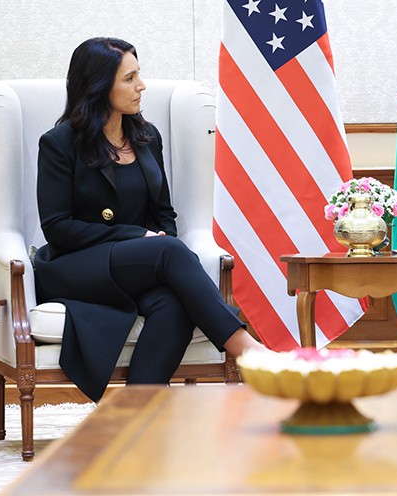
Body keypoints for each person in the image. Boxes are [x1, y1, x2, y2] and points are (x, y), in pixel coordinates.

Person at [34, 37, 266, 402]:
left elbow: (164, 213)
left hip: (137, 266)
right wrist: (138, 237)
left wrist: (158, 238)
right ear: (98, 86)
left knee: (174, 304)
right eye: (129, 79)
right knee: (168, 251)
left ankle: (137, 410)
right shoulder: (59, 142)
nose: (141, 85)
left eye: (138, 75)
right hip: (75, 266)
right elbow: (57, 228)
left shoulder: (146, 136)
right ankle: (248, 350)